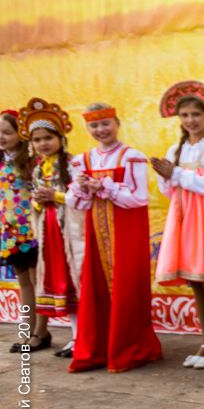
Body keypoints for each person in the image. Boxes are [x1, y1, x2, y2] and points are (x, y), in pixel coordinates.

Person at [67, 102, 162, 372]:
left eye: (105, 123)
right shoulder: (82, 161)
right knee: (96, 288)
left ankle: (129, 347)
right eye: (94, 125)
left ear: (117, 123)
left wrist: (106, 187)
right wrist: (85, 189)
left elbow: (139, 198)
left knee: (128, 287)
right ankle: (98, 349)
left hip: (126, 233)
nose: (101, 129)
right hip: (96, 235)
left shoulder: (131, 156)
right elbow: (77, 203)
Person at [151, 81, 204, 369]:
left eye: (196, 115)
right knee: (194, 281)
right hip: (184, 218)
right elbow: (169, 191)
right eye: (185, 115)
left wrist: (174, 173)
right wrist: (165, 176)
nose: (191, 120)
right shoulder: (176, 148)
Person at [15, 99, 83, 356]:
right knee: (62, 282)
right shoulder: (37, 169)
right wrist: (39, 202)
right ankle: (76, 337)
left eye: (48, 137)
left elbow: (79, 199)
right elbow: (36, 201)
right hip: (50, 232)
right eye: (37, 139)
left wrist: (52, 196)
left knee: (77, 281)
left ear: (60, 137)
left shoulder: (73, 164)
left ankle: (82, 337)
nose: (43, 143)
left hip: (71, 233)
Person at [1, 110, 41, 352]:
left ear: (21, 134)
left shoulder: (31, 161)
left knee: (38, 282)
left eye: (7, 132)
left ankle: (41, 332)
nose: (1, 137)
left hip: (33, 231)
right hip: (10, 234)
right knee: (23, 282)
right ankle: (27, 331)